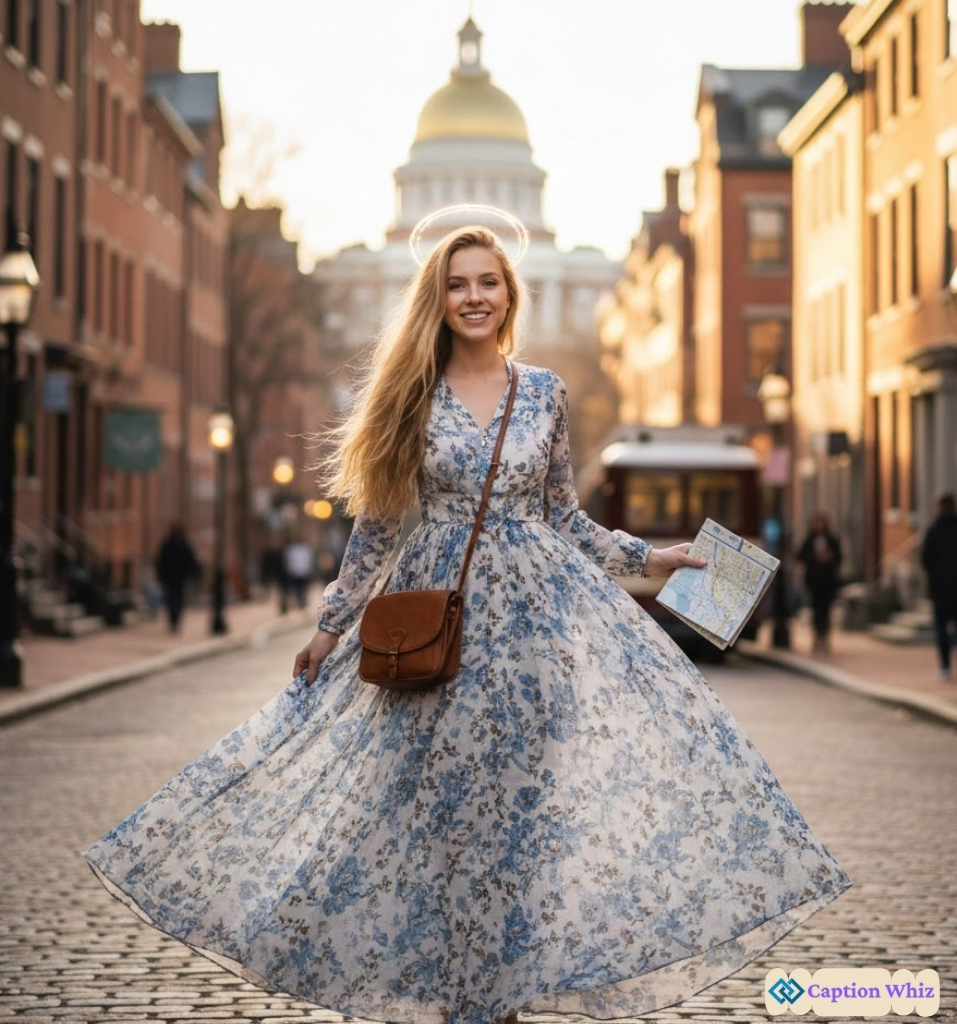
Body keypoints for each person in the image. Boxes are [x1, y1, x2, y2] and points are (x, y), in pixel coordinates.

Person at [86, 221, 850, 1024]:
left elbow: (564, 519)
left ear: (509, 294)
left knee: (517, 832)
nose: (474, 297)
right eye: (458, 284)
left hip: (532, 643)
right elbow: (377, 527)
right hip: (432, 634)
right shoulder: (410, 394)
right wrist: (329, 626)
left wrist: (649, 557)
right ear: (438, 299)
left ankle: (501, 1003)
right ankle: (454, 999)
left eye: (487, 282)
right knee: (435, 829)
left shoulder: (547, 393)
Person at [921, 492, 957, 679]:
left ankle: (945, 666)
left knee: (941, 627)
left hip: (940, 588)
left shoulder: (933, 530)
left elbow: (925, 559)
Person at [795, 512, 843, 655]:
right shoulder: (810, 540)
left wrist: (829, 558)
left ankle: (825, 637)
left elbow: (839, 557)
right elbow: (801, 556)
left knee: (826, 610)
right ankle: (816, 637)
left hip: (828, 581)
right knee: (815, 610)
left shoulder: (831, 540)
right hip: (814, 581)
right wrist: (813, 557)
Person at [154, 523, 200, 634]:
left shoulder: (179, 544)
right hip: (174, 578)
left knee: (175, 600)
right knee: (174, 600)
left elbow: (190, 561)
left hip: (177, 578)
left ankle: (175, 621)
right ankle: (174, 621)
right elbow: (160, 561)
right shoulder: (172, 544)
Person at [281, 537, 315, 613]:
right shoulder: (292, 550)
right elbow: (289, 561)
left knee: (303, 589)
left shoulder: (305, 549)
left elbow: (309, 561)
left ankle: (302, 601)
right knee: (298, 588)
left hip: (303, 572)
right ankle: (300, 602)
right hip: (296, 572)